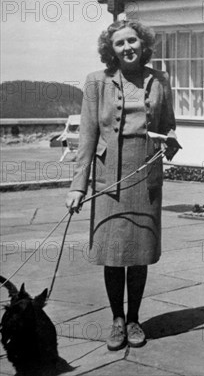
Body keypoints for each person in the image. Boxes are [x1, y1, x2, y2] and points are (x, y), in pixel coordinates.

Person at [65, 20, 179, 351]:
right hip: (107, 175)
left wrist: (170, 139)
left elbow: (168, 124)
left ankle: (134, 318)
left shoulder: (160, 80)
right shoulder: (95, 82)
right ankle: (117, 319)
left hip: (144, 175)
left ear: (143, 44)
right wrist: (78, 186)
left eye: (132, 40)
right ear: (110, 50)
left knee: (139, 252)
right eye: (119, 43)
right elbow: (87, 137)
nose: (127, 47)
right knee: (113, 253)